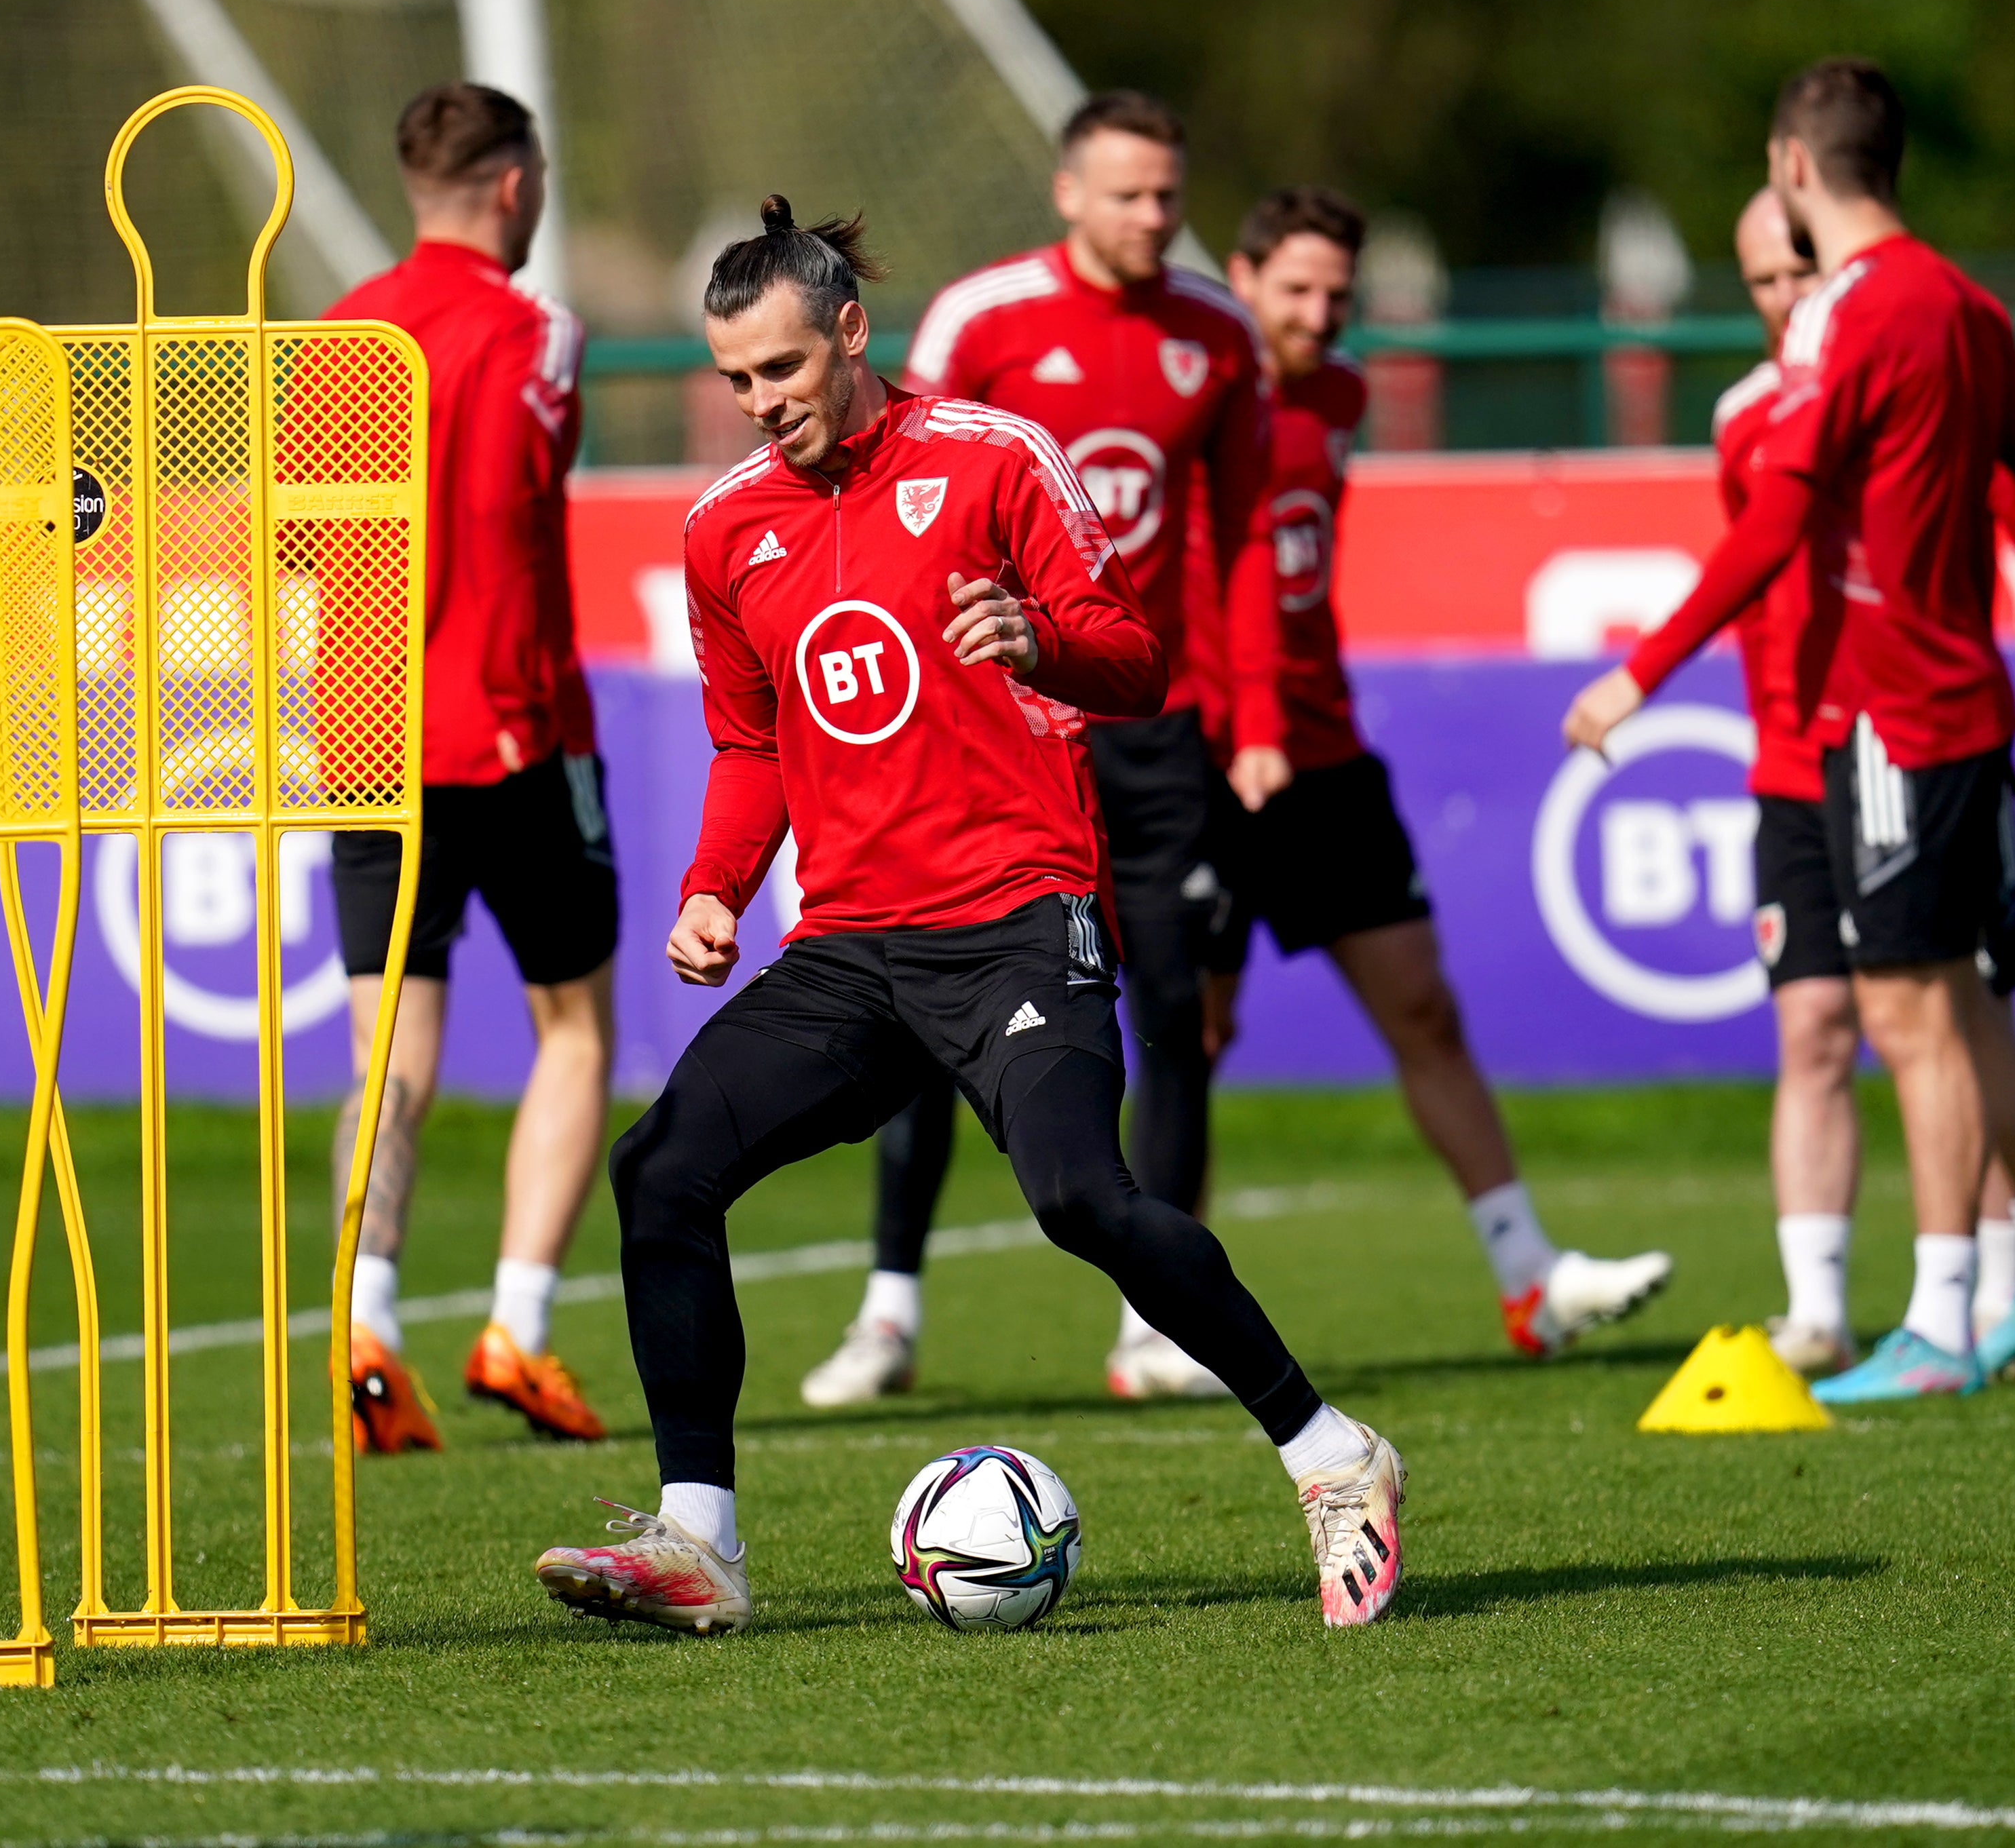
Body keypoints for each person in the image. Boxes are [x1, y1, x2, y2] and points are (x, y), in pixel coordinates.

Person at [532, 198, 1406, 1635]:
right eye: (736, 382)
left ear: (850, 333)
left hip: (1017, 912)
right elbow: (750, 745)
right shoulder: (722, 529)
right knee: (664, 1167)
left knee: (1076, 1196)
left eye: (782, 373)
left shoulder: (993, 459)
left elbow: (1134, 658)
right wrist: (710, 890)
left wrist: (1036, 633)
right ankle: (700, 1541)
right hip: (849, 944)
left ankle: (1332, 1457)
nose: (760, 407)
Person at [1563, 59, 2015, 1403]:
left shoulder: (1848, 315)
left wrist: (1642, 669)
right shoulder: (1966, 301)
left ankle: (1932, 1328)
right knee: (1957, 1013)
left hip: (1887, 724)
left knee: (1909, 1020)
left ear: (1793, 168)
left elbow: (1779, 513)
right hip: (1965, 706)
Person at [801, 90, 1273, 1408]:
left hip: (1153, 726)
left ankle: (1156, 1324)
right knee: (926, 1008)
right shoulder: (984, 320)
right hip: (998, 729)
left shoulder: (1216, 335)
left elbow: (1241, 540)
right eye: (1126, 193)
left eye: (1167, 195)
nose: (1152, 217)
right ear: (1067, 193)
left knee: (1174, 1015)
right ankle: (888, 1310)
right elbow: (900, 495)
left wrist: (1255, 723)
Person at [1203, 185, 1674, 1357]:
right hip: (1199, 756)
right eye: (1295, 288)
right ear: (1240, 275)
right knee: (1187, 1037)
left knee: (1423, 1003)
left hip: (1322, 750)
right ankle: (1156, 1320)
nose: (1318, 314)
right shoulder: (1192, 394)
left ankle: (1529, 1275)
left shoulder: (1344, 393)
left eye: (1336, 293)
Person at [1715, 187, 2015, 1378]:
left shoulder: (1910, 366)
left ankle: (2001, 1288)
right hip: (1804, 762)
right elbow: (1759, 592)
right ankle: (1826, 1307)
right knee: (1823, 1025)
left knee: (1955, 1007)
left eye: (1802, 267)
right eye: (1763, 280)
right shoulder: (1743, 418)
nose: (1790, 295)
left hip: (1917, 740)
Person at [320, 83, 615, 1451]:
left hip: (370, 734)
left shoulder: (336, 336)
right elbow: (515, 494)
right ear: (512, 188)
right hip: (510, 724)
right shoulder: (534, 329)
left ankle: (365, 1322)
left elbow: (290, 541)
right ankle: (518, 1325)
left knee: (387, 1044)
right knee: (573, 1026)